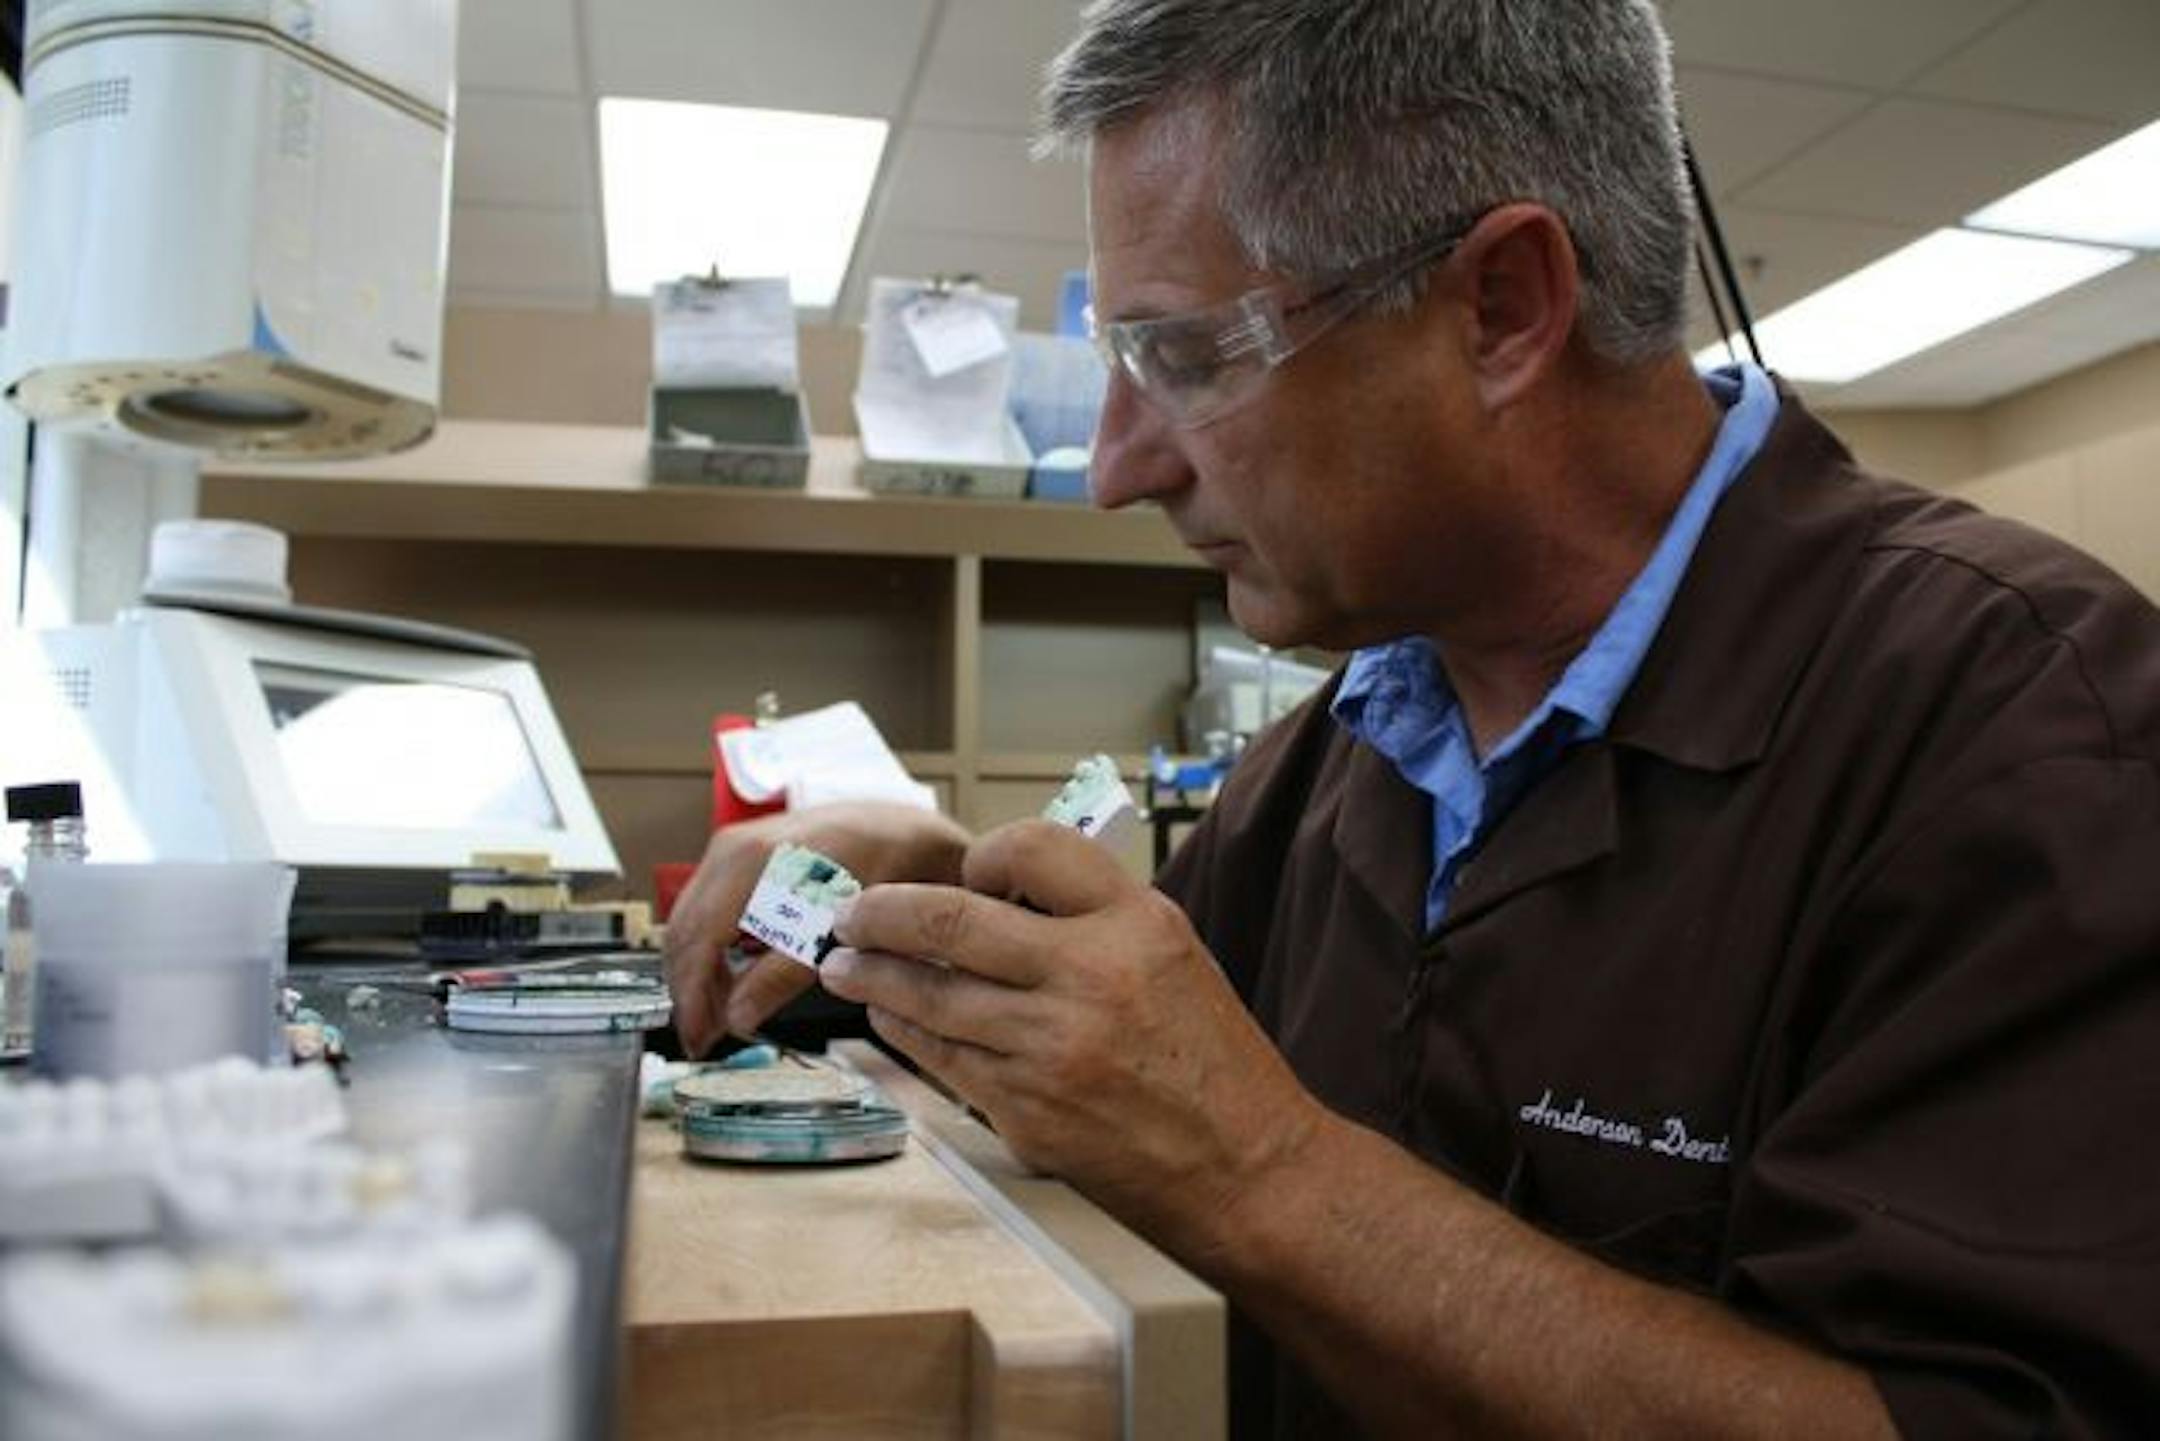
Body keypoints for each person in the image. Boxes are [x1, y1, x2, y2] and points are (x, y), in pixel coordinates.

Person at [667, 1, 2160, 1434]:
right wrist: (930, 912)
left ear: (1501, 310)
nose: (1118, 468)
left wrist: (1264, 1169)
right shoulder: (1351, 744)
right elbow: (1127, 1090)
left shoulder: (2028, 734)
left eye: (1181, 356)